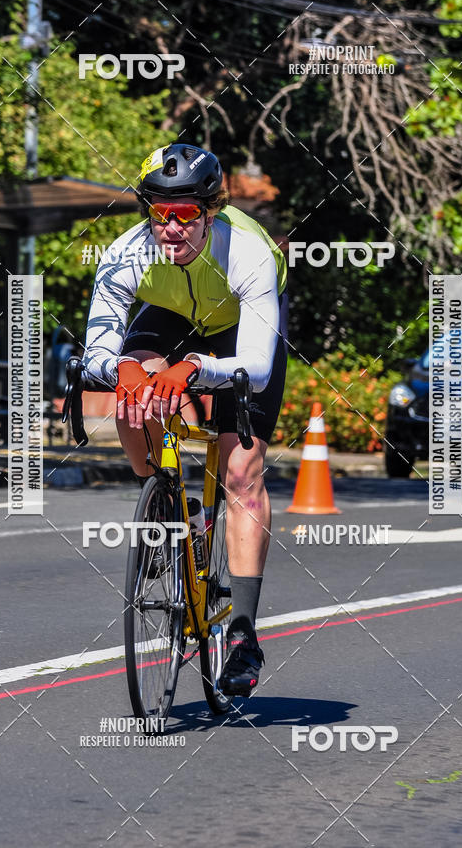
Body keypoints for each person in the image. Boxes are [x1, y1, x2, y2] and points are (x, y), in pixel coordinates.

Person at [84, 142, 288, 696]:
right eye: (158, 212)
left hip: (236, 332)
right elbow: (96, 349)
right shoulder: (126, 255)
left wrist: (195, 367)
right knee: (133, 391)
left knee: (242, 472)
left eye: (186, 214)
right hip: (170, 315)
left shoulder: (248, 252)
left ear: (211, 211)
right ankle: (161, 500)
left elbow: (259, 367)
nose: (170, 227)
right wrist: (122, 368)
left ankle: (243, 634)